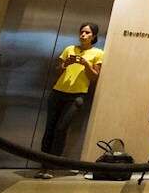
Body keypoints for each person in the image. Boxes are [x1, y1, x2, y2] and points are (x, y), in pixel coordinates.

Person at [36, 22, 104, 179]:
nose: (83, 35)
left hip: (77, 95)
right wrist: (66, 64)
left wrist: (86, 63)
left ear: (93, 36)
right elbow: (58, 70)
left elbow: (94, 77)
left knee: (61, 129)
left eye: (87, 33)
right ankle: (43, 166)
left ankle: (51, 166)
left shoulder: (98, 53)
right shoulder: (69, 49)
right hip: (57, 92)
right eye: (81, 32)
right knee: (50, 128)